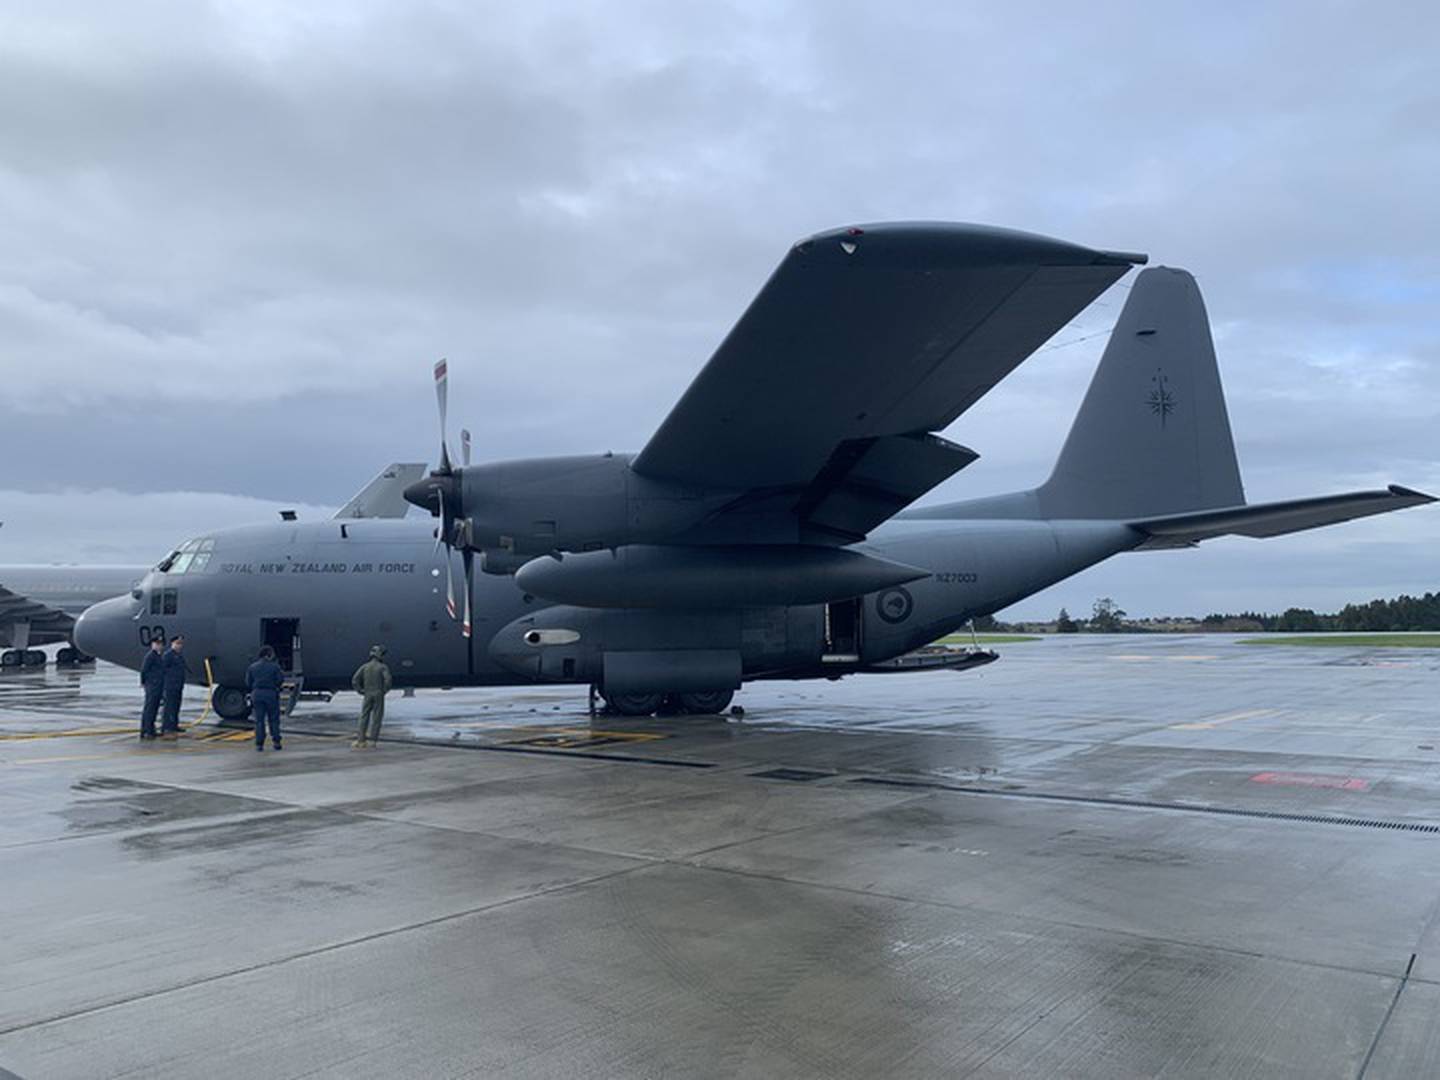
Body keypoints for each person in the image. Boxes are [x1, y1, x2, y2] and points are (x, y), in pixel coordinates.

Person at [350, 644, 392, 748]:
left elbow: (355, 679)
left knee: (364, 716)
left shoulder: (365, 667)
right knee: (377, 717)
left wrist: (360, 690)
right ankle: (373, 740)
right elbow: (388, 680)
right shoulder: (382, 667)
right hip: (378, 693)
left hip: (367, 693)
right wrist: (384, 691)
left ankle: (361, 740)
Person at [246, 644, 286, 752]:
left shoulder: (252, 667)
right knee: (273, 719)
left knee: (259, 720)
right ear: (269, 655)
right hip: (271, 694)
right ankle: (276, 742)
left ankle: (259, 744)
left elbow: (248, 682)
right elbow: (280, 680)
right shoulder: (275, 667)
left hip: (257, 694)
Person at [159, 635, 187, 740]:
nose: (179, 646)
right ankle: (166, 728)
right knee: (168, 707)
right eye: (177, 643)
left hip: (178, 685)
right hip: (170, 685)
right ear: (172, 644)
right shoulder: (168, 655)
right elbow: (162, 670)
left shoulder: (179, 655)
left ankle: (174, 725)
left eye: (181, 644)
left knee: (176, 706)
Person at [138, 639, 164, 740]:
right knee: (149, 708)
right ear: (152, 645)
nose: (159, 646)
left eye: (160, 644)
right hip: (152, 686)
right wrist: (143, 682)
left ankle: (151, 729)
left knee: (154, 708)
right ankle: (146, 731)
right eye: (157, 644)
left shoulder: (158, 656)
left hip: (158, 685)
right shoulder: (150, 656)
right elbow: (144, 670)